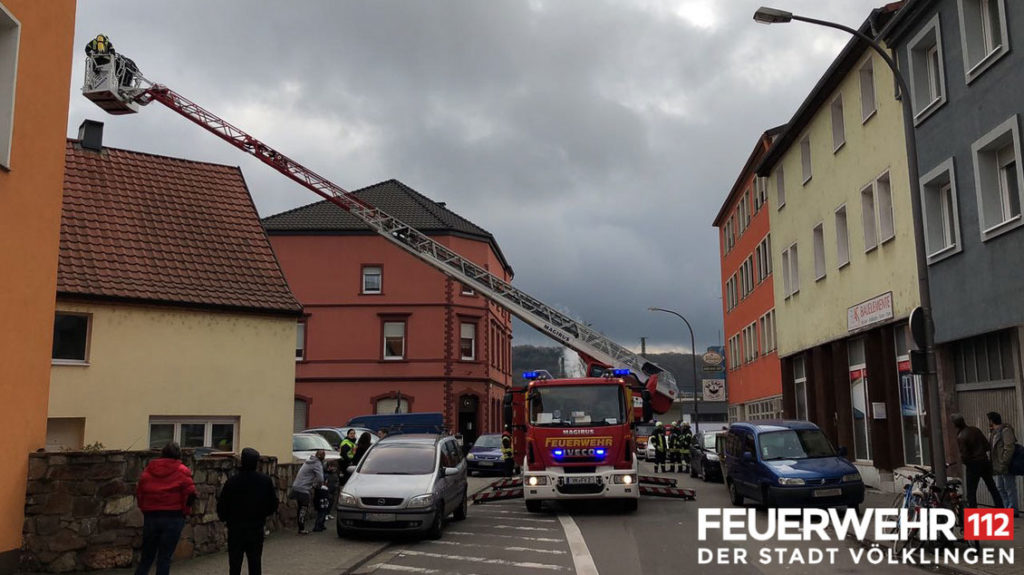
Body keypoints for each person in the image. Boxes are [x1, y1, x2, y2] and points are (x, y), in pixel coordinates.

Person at [134, 443, 196, 575]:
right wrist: (185, 512)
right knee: (164, 557)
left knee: (147, 557)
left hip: (151, 515)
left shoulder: (149, 470)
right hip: (173, 516)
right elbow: (190, 494)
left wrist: (145, 509)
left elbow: (140, 492)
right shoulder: (182, 470)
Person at [216, 448, 278, 575]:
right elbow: (273, 504)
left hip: (235, 528)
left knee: (234, 564)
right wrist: (263, 515)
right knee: (255, 563)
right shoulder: (265, 481)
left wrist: (225, 518)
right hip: (255, 527)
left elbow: (222, 505)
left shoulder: (232, 482)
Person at [952, 414, 1003, 510]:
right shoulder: (975, 430)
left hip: (973, 465)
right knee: (992, 488)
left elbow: (965, 455)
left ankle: (973, 512)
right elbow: (987, 446)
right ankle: (1000, 508)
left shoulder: (961, 436)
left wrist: (966, 462)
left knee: (971, 492)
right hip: (984, 461)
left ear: (955, 425)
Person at [988, 411, 1019, 517]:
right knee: (1000, 487)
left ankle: (1013, 509)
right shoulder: (993, 433)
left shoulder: (1005, 431)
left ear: (992, 421)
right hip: (997, 466)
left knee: (1009, 487)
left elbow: (1009, 447)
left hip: (1005, 464)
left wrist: (1004, 461)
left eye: (989, 421)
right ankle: (1006, 507)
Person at [290, 449, 324, 534]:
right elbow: (320, 478)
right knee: (303, 509)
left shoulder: (308, 461)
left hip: (296, 486)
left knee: (300, 508)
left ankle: (300, 527)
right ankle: (301, 529)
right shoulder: (317, 463)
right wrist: (317, 485)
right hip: (304, 489)